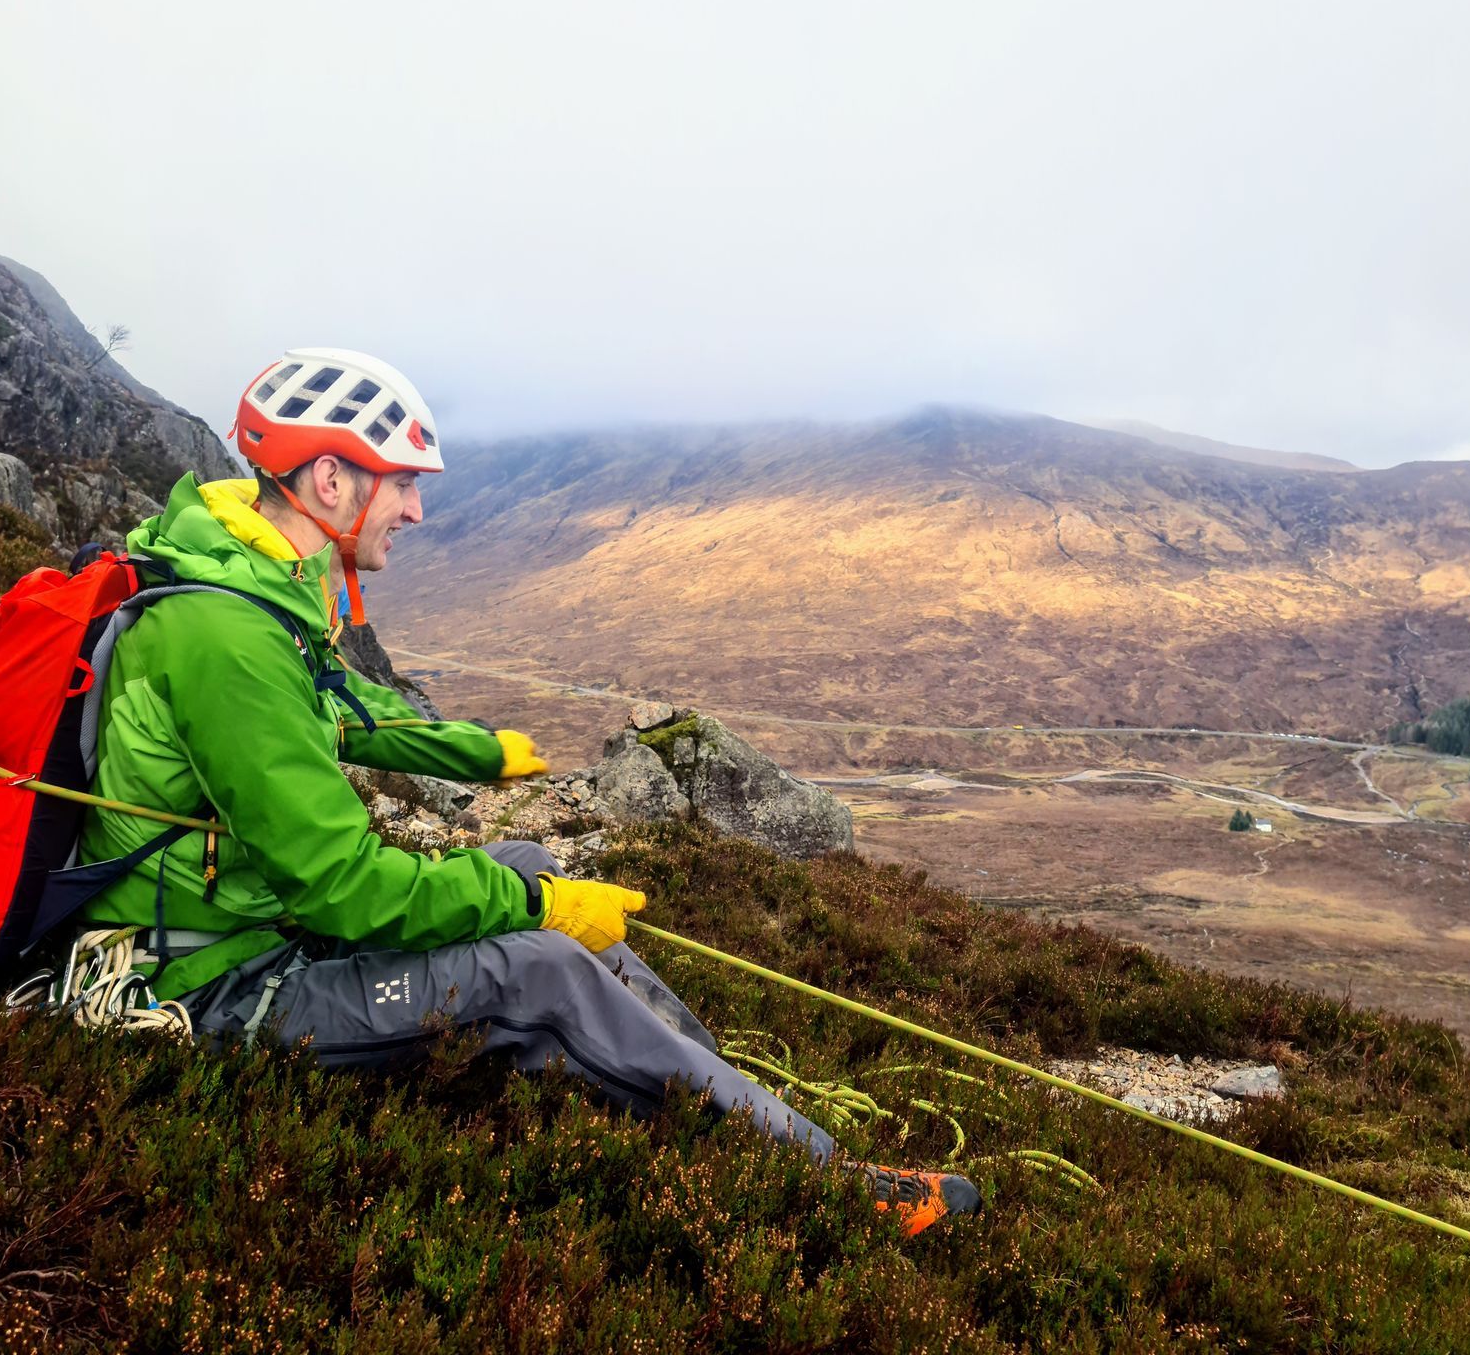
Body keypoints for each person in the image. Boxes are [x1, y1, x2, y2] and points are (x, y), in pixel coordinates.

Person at [74, 346, 980, 1235]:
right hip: (212, 987)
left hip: (254, 924)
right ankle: (824, 1188)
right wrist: (538, 906)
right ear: (329, 483)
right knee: (536, 962)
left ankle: (715, 1092)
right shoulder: (226, 636)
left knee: (522, 857)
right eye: (402, 483)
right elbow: (340, 887)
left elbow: (344, 715)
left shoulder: (255, 582)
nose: (419, 509)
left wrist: (482, 756)